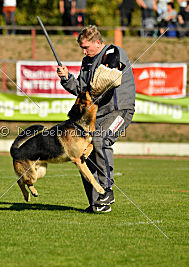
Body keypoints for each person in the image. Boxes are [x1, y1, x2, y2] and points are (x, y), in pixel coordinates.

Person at [57, 26, 135, 213]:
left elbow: (110, 75)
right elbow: (82, 90)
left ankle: (107, 190)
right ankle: (98, 203)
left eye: (87, 47)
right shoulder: (87, 61)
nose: (84, 52)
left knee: (101, 139)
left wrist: (92, 88)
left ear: (98, 42)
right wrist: (67, 78)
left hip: (119, 110)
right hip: (97, 115)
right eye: (82, 48)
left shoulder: (113, 52)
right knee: (84, 154)